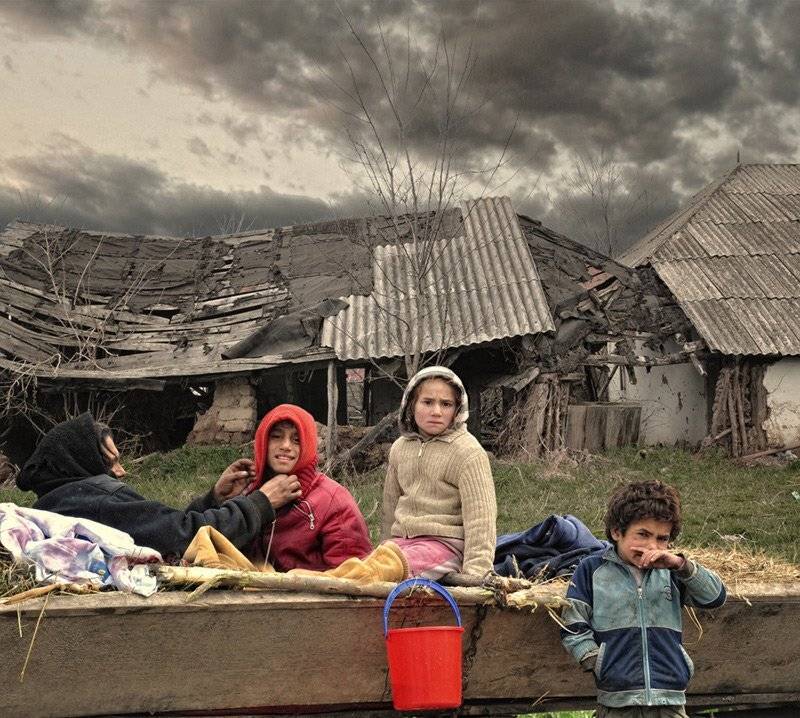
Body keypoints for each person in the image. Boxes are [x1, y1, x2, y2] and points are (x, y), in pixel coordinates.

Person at [16, 413, 300, 559]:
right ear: (81, 461)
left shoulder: (52, 504)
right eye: (110, 463)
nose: (121, 471)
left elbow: (154, 529)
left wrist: (213, 498)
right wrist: (260, 503)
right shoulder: (99, 498)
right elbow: (184, 536)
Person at [560, 480, 727, 718]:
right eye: (643, 534)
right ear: (617, 532)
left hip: (670, 700)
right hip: (616, 704)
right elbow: (573, 622)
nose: (652, 546)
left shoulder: (672, 572)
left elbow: (716, 597)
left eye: (662, 538)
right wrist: (597, 661)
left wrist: (680, 564)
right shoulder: (592, 570)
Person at [380, 365, 497, 580]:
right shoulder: (400, 448)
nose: (436, 411)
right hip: (402, 544)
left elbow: (481, 519)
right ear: (411, 405)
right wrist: (384, 545)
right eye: (427, 402)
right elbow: (390, 506)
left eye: (446, 404)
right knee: (367, 565)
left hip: (444, 546)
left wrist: (476, 574)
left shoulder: (468, 452)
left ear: (457, 409)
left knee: (384, 571)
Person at [243, 403, 372, 571]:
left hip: (310, 595)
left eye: (297, 440)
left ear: (308, 445)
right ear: (262, 442)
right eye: (276, 436)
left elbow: (352, 575)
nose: (286, 446)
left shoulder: (333, 501)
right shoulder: (247, 492)